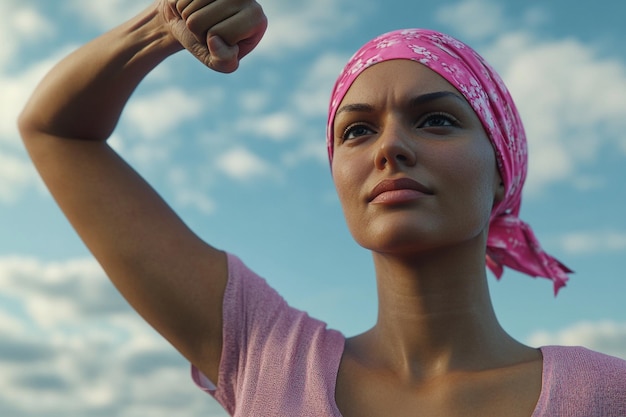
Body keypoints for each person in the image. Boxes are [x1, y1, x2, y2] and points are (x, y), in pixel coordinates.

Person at [18, 1, 626, 416]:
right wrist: (168, 19)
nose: (390, 147)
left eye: (436, 119)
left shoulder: (605, 393)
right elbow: (55, 130)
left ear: (501, 173)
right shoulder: (266, 355)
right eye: (357, 132)